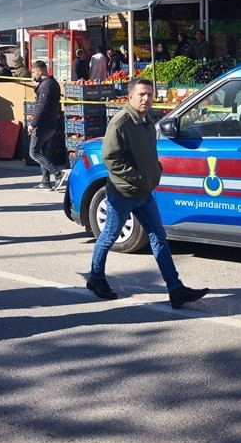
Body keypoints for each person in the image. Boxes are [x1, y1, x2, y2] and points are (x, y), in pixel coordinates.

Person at [86, 78, 209, 308]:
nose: (146, 99)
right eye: (142, 94)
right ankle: (96, 277)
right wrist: (138, 178)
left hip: (144, 193)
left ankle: (175, 289)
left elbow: (149, 154)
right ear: (130, 96)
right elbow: (110, 158)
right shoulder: (120, 123)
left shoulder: (148, 122)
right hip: (123, 194)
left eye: (150, 95)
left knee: (159, 238)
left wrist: (155, 171)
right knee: (109, 236)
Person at [28, 60, 63, 190]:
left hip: (43, 125)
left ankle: (58, 173)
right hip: (51, 123)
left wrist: (33, 124)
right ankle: (45, 182)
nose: (33, 75)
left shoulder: (46, 86)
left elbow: (41, 106)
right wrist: (36, 87)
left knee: (34, 152)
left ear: (39, 70)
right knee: (43, 151)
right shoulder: (52, 83)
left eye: (34, 72)